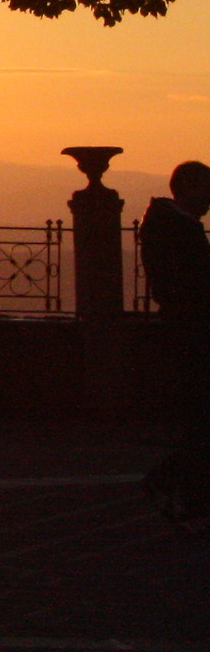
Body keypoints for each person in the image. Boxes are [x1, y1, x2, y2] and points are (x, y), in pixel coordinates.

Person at [140, 161, 210, 520]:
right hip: (192, 333)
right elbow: (190, 284)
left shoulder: (170, 225)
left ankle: (178, 488)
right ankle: (179, 489)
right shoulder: (175, 230)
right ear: (189, 188)